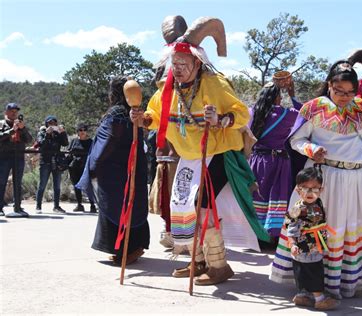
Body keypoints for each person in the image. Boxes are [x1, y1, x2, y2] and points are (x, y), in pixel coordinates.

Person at [132, 15, 270, 285]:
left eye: (184, 63)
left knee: (201, 206)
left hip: (216, 154)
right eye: (175, 63)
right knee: (183, 206)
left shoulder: (214, 84)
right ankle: (197, 261)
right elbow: (155, 113)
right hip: (189, 156)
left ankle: (219, 265)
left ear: (197, 62)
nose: (178, 68)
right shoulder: (168, 88)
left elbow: (241, 114)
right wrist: (143, 119)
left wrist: (220, 119)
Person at [270, 60, 362, 299]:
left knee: (353, 232)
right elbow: (296, 140)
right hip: (324, 181)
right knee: (322, 230)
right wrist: (310, 148)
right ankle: (314, 284)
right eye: (339, 91)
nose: (345, 97)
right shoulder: (313, 108)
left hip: (358, 180)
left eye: (350, 92)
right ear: (329, 85)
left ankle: (348, 280)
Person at [77, 76, 150, 265]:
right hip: (130, 166)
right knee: (130, 204)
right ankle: (130, 247)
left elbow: (108, 140)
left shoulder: (118, 113)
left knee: (117, 206)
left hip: (115, 170)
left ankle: (125, 249)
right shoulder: (131, 113)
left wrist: (95, 164)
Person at [249, 81, 302, 239]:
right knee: (276, 195)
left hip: (256, 160)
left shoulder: (252, 112)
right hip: (278, 161)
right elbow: (305, 114)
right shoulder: (287, 114)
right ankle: (273, 234)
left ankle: (255, 233)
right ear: (278, 97)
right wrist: (292, 96)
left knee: (258, 195)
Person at [286, 166, 339, 310]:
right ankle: (319, 298)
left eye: (314, 188)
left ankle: (303, 296)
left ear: (321, 190)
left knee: (304, 271)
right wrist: (292, 245)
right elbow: (290, 229)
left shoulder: (319, 203)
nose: (310, 192)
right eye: (305, 188)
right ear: (297, 190)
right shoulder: (297, 209)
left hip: (316, 244)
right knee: (313, 271)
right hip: (305, 247)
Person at [0, 103, 33, 217]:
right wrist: (11, 131)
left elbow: (29, 139)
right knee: (1, 182)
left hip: (18, 156)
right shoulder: (1, 124)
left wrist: (22, 129)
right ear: (6, 112)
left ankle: (18, 207)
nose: (14, 113)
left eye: (16, 111)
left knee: (18, 182)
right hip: (4, 156)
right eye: (12, 111)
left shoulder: (20, 125)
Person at [35, 115, 68, 214]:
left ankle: (56, 206)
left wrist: (63, 133)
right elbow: (42, 145)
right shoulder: (42, 133)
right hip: (45, 161)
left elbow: (65, 143)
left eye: (54, 123)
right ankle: (38, 206)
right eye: (50, 123)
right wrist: (47, 134)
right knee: (42, 185)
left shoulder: (58, 134)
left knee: (57, 186)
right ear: (46, 124)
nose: (52, 125)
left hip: (56, 161)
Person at [67, 123, 96, 213]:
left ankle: (92, 205)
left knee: (89, 186)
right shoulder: (74, 141)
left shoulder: (91, 142)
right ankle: (79, 204)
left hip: (86, 167)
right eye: (80, 130)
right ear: (77, 132)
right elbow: (69, 152)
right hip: (74, 166)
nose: (82, 132)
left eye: (84, 130)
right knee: (76, 185)